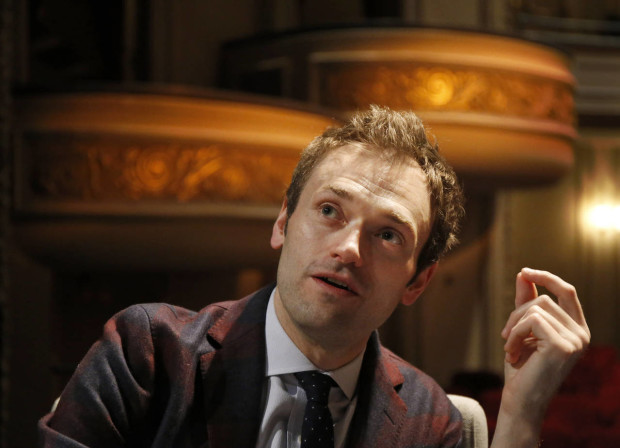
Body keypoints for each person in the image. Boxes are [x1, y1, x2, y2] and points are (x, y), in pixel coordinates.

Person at [39, 106, 590, 448]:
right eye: (330, 210)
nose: (349, 248)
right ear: (283, 222)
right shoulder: (149, 353)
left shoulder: (430, 423)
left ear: (417, 283)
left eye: (388, 235)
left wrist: (520, 415)